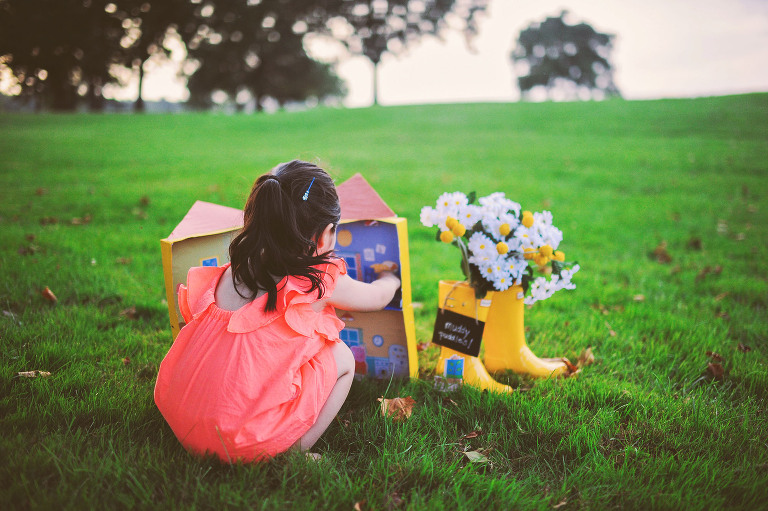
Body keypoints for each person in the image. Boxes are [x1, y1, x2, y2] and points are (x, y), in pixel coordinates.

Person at [154, 160, 401, 463]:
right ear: (325, 236)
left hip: (182, 420)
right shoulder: (320, 280)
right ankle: (295, 451)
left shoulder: (234, 268)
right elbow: (376, 297)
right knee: (342, 358)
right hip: (241, 443)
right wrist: (391, 279)